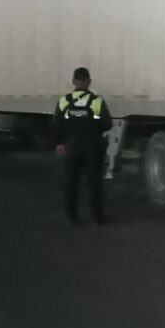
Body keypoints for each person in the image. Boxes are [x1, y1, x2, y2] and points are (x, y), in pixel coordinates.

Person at [53, 66, 112, 225]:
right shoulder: (97, 101)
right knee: (94, 182)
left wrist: (59, 143)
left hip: (72, 146)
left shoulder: (64, 101)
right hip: (93, 145)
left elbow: (57, 124)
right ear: (89, 81)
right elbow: (107, 124)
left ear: (73, 81)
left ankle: (72, 217)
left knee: (71, 182)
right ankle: (97, 217)